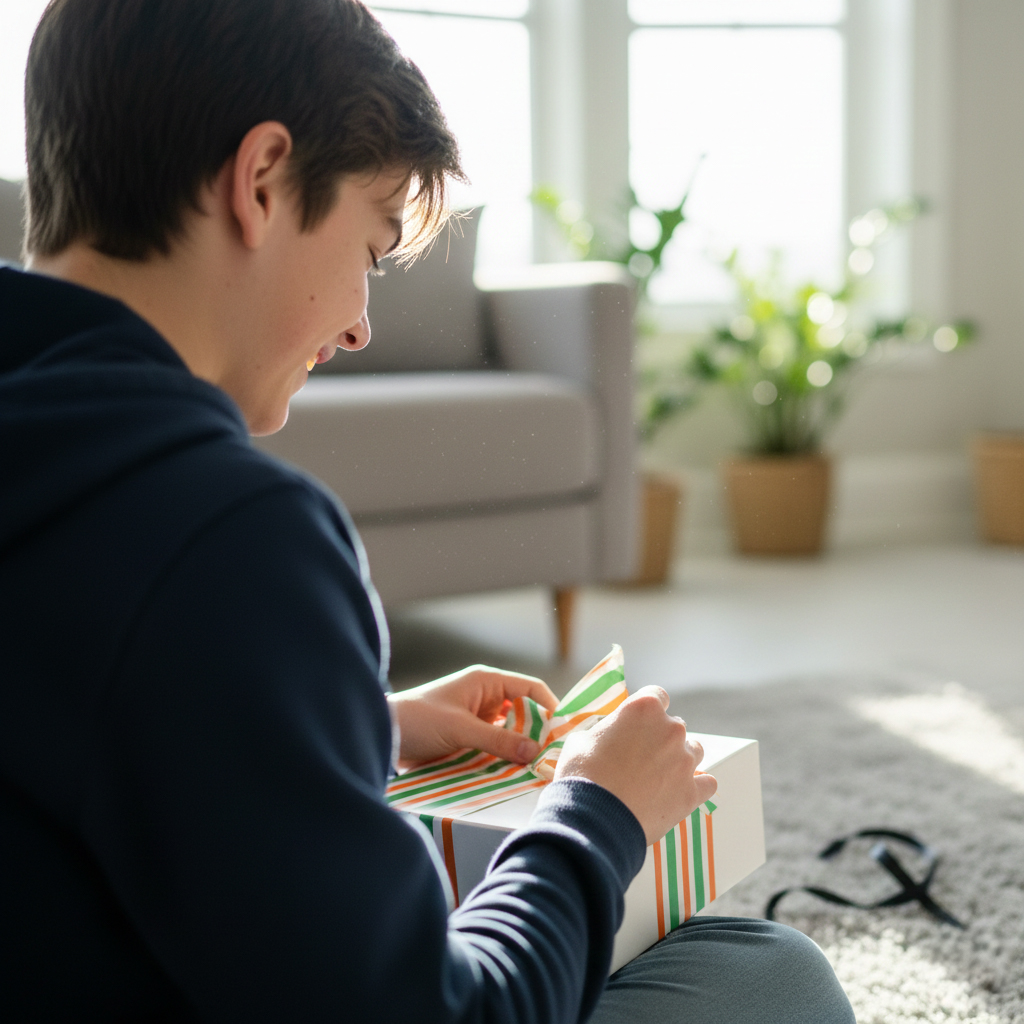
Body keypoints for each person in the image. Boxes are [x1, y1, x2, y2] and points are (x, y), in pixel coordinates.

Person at [0, 1, 855, 1021]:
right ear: (262, 179)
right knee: (762, 972)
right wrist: (596, 811)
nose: (361, 323)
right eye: (370, 246)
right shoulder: (228, 534)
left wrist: (356, 721)